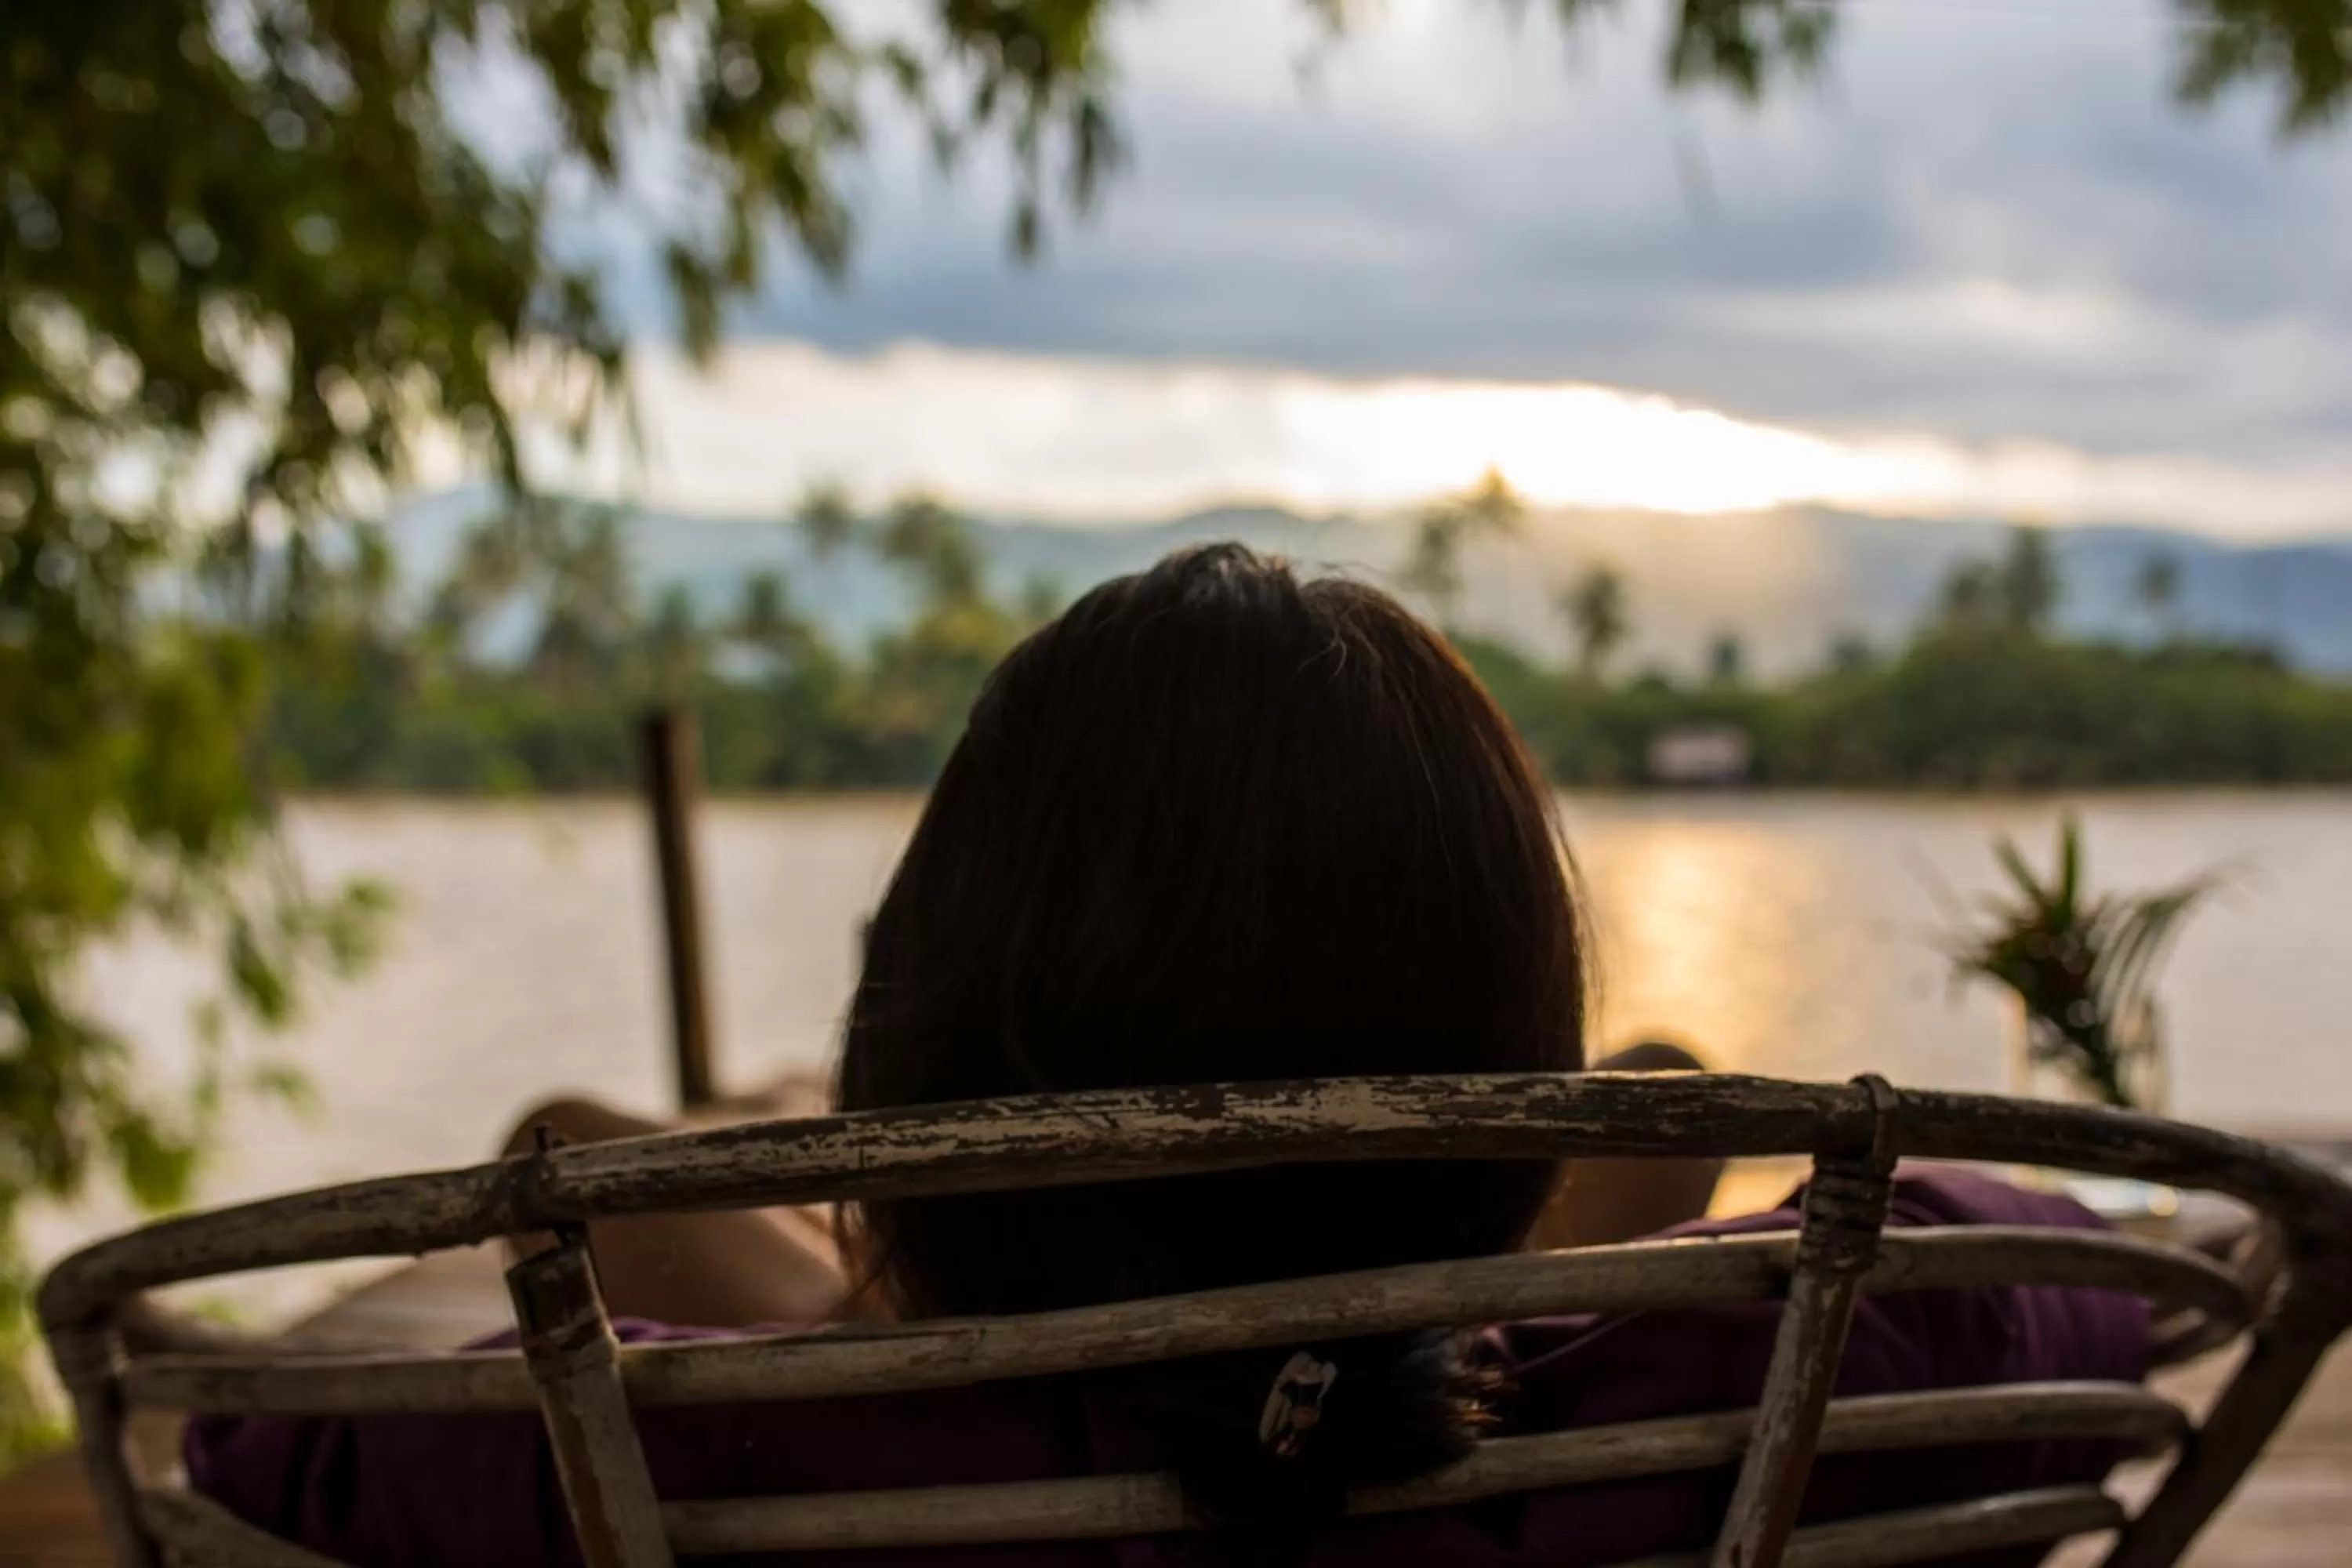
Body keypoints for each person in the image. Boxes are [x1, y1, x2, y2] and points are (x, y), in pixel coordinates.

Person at [184, 546, 2151, 1566]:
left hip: (940, 1376)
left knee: (578, 1139)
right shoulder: (1762, 1391)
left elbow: (256, 1454)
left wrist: (885, 1319)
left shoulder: (714, 1464)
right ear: (1500, 1104)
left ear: (917, 1047)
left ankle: (928, 1263)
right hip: (1440, 1384)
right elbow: (2081, 1281)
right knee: (1668, 1073)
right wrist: (1511, 1300)